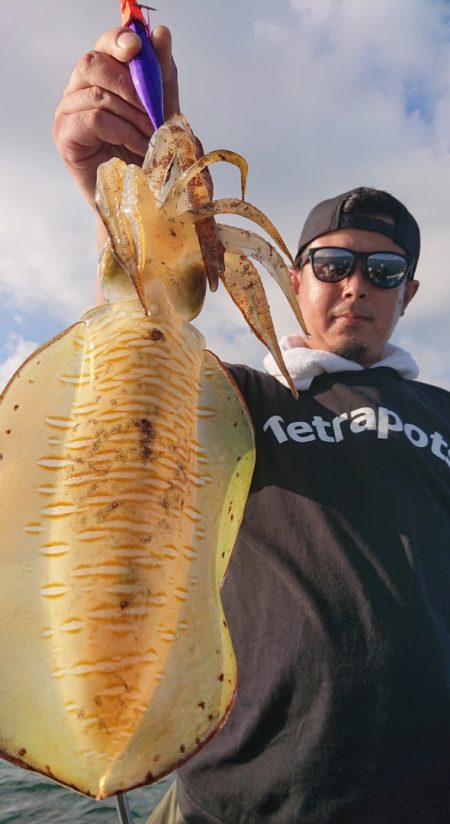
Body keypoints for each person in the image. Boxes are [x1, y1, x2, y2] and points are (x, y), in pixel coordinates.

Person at [53, 26, 450, 824]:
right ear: (296, 280)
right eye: (332, 266)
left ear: (409, 294)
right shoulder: (236, 397)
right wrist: (116, 188)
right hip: (241, 798)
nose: (355, 288)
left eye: (383, 272)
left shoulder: (442, 413)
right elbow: (140, 353)